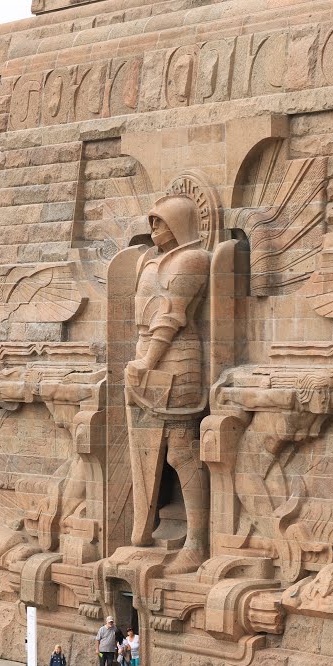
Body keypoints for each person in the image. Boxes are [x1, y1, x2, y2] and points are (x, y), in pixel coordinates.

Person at [124, 194, 211, 574]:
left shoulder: (193, 259)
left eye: (159, 222)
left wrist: (146, 360)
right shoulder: (149, 261)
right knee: (145, 447)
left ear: (178, 224)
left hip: (177, 361)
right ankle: (146, 528)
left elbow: (171, 315)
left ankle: (197, 542)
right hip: (145, 358)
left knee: (180, 450)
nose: (153, 229)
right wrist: (139, 359)